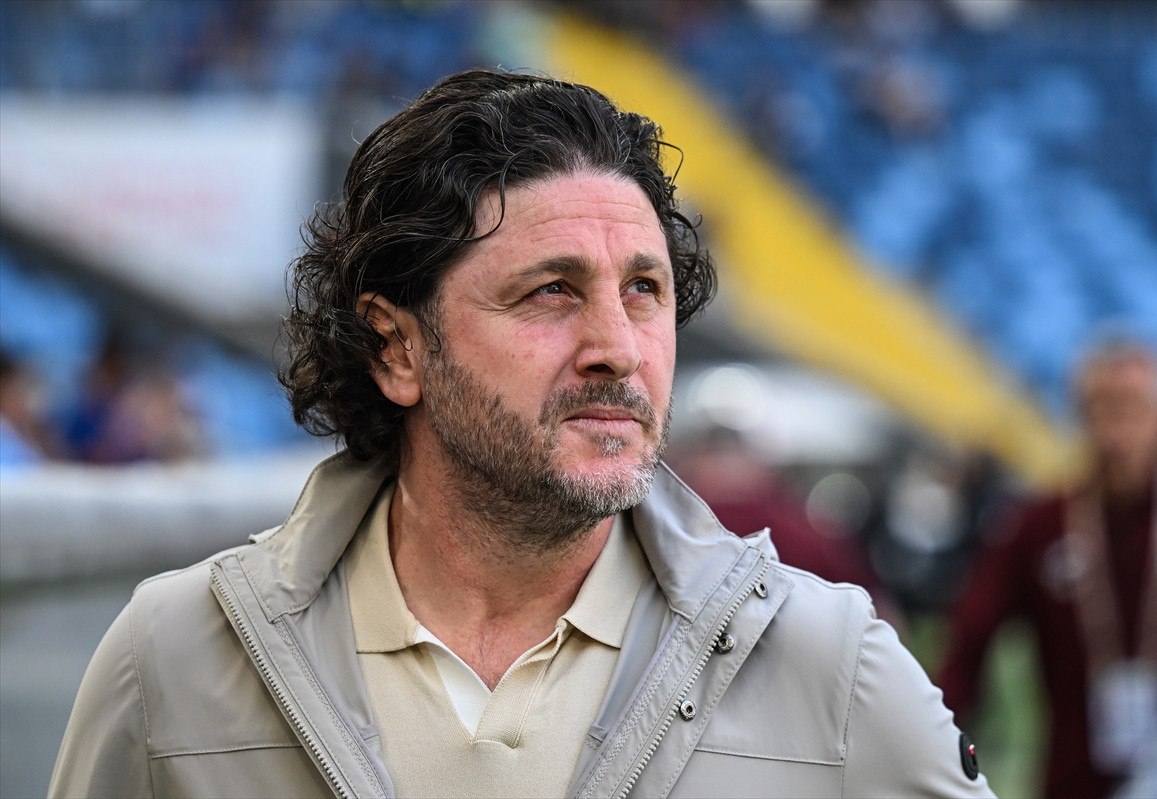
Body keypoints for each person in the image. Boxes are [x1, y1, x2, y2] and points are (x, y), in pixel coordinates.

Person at [50, 69, 992, 798]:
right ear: (396, 348)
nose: (618, 348)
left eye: (645, 289)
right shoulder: (172, 659)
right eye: (551, 291)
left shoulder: (832, 664)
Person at [939, 342, 1157, 799]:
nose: (1120, 423)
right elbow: (969, 640)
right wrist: (939, 742)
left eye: (1134, 405)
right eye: (1105, 405)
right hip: (1074, 778)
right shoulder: (1041, 526)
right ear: (1080, 416)